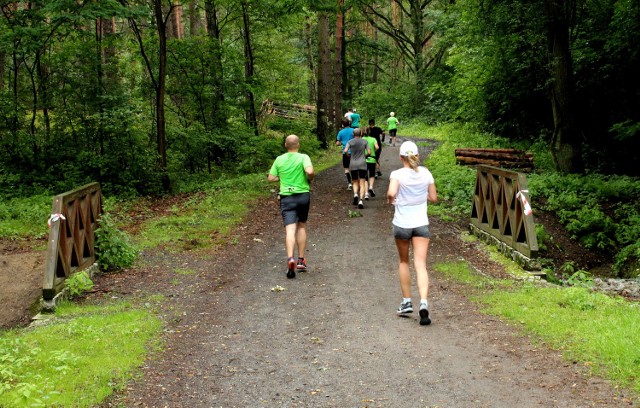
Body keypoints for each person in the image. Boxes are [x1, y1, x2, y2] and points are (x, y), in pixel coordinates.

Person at [387, 141, 438, 325]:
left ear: (401, 157)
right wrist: (419, 196)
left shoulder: (397, 174)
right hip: (421, 223)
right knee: (421, 265)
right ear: (417, 155)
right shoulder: (426, 173)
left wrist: (391, 200)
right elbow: (433, 197)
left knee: (403, 261)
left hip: (402, 224)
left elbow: (392, 193)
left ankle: (407, 301)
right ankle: (423, 302)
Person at [268, 135, 315, 279]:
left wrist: (282, 177)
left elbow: (270, 178)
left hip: (286, 198)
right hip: (302, 196)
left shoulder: (279, 159)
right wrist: (310, 178)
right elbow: (310, 171)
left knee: (290, 229)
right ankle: (301, 260)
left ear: (285, 145)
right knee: (301, 226)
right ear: (298, 145)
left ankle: (290, 259)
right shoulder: (303, 157)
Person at [344, 128, 371, 209]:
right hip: (362, 163)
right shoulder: (365, 141)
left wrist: (349, 156)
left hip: (353, 163)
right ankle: (361, 201)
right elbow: (369, 152)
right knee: (362, 182)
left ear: (353, 134)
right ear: (361, 133)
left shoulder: (350, 142)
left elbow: (345, 150)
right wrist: (365, 156)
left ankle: (355, 194)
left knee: (355, 181)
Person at [336, 119, 355, 190]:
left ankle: (349, 183)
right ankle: (355, 181)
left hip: (345, 152)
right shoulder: (353, 130)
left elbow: (337, 143)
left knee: (346, 168)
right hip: (354, 151)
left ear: (342, 125)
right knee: (354, 167)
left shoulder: (340, 132)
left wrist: (342, 143)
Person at [362, 126, 379, 200]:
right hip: (372, 159)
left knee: (365, 177)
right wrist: (373, 152)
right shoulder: (373, 139)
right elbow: (377, 147)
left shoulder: (361, 139)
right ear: (369, 132)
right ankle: (371, 187)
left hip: (363, 160)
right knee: (372, 175)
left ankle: (366, 194)